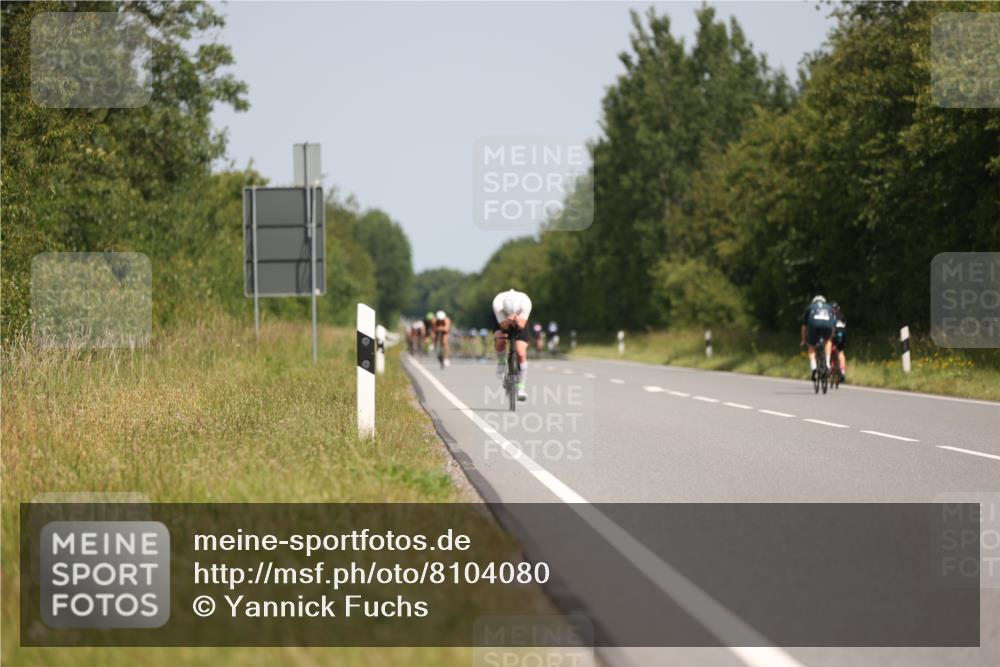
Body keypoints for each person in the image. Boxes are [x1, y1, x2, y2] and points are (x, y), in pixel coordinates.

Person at [493, 288, 532, 401]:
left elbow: (521, 326)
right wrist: (508, 320)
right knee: (500, 340)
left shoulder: (526, 303)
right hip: (502, 321)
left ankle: (521, 389)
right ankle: (501, 362)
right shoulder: (497, 304)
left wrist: (516, 319)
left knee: (521, 353)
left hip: (521, 321)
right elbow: (503, 327)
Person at [800, 295, 835, 381]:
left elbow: (804, 326)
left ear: (814, 302)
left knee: (811, 346)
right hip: (827, 325)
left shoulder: (810, 307)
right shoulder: (829, 307)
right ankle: (827, 363)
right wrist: (830, 337)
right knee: (828, 341)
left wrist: (804, 340)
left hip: (814, 325)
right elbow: (833, 325)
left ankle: (814, 367)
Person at [830, 301, 847, 382]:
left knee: (827, 350)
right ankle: (843, 372)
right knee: (840, 352)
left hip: (834, 334)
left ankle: (829, 367)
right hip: (842, 334)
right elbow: (844, 326)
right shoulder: (842, 316)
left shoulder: (829, 316)